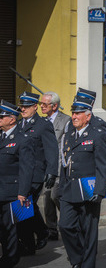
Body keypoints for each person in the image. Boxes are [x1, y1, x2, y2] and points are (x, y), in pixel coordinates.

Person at [59, 96, 106, 268]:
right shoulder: (69, 135)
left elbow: (103, 165)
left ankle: (87, 264)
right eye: (73, 113)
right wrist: (61, 186)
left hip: (89, 188)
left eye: (78, 113)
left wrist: (99, 190)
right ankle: (77, 258)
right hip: (70, 188)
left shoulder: (97, 135)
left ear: (88, 116)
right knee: (65, 226)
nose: (74, 116)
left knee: (89, 231)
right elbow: (65, 163)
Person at [17, 91, 59, 255]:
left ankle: (41, 231)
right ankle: (28, 243)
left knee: (28, 204)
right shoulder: (19, 124)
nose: (23, 109)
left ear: (35, 107)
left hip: (35, 173)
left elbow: (52, 149)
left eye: (26, 106)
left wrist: (51, 171)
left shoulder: (43, 124)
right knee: (22, 208)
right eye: (21, 106)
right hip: (20, 174)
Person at [0, 100, 34, 267]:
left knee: (9, 227)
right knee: (2, 228)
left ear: (12, 119)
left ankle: (10, 259)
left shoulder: (22, 139)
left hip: (11, 191)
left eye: (2, 117)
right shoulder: (1, 136)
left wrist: (23, 192)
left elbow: (26, 168)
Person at [40, 91, 71, 241]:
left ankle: (68, 221)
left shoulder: (65, 120)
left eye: (45, 104)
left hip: (60, 167)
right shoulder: (42, 121)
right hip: (46, 168)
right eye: (41, 104)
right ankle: (52, 230)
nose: (41, 106)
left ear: (55, 106)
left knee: (55, 195)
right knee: (47, 200)